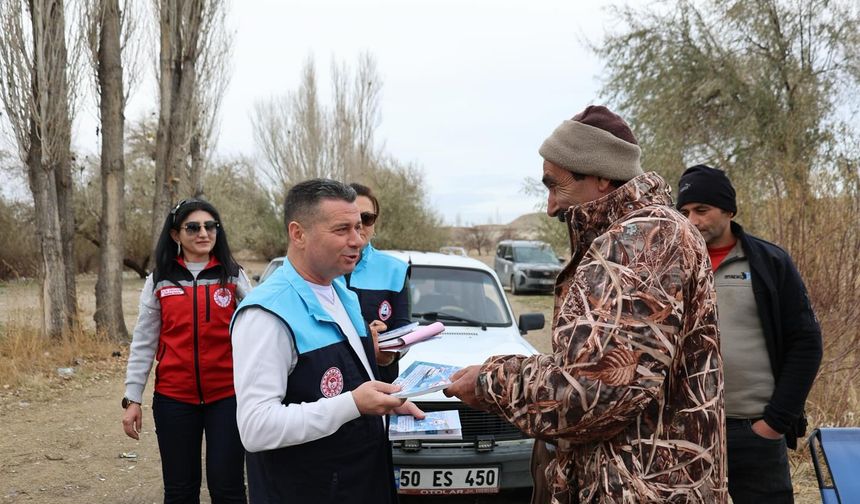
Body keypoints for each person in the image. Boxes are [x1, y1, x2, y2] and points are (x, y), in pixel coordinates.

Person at [445, 105, 727, 503]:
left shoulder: (642, 240)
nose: (550, 206)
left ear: (600, 177)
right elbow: (595, 364)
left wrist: (491, 382)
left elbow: (594, 391)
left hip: (641, 490)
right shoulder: (636, 233)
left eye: (555, 186)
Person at [230, 178, 423, 503]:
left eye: (359, 227)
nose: (357, 240)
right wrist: (352, 404)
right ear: (298, 234)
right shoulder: (266, 314)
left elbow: (352, 382)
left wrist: (387, 403)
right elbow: (255, 427)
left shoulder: (341, 294)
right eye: (341, 230)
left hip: (362, 483)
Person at [676, 164, 823, 503]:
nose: (692, 220)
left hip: (753, 432)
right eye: (684, 212)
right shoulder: (671, 266)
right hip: (687, 433)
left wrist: (774, 422)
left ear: (729, 210)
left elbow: (806, 342)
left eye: (702, 210)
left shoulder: (769, 262)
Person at [122, 198, 250, 503]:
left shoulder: (232, 276)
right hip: (174, 399)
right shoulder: (160, 279)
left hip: (227, 398)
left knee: (228, 488)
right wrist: (132, 398)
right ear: (176, 234)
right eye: (193, 227)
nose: (203, 233)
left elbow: (257, 333)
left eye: (210, 226)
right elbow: (144, 341)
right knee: (180, 490)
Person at [345, 182, 411, 383]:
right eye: (351, 218)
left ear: (375, 223)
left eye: (366, 218)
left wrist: (387, 354)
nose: (359, 226)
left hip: (380, 384)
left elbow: (404, 330)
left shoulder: (395, 269)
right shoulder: (321, 267)